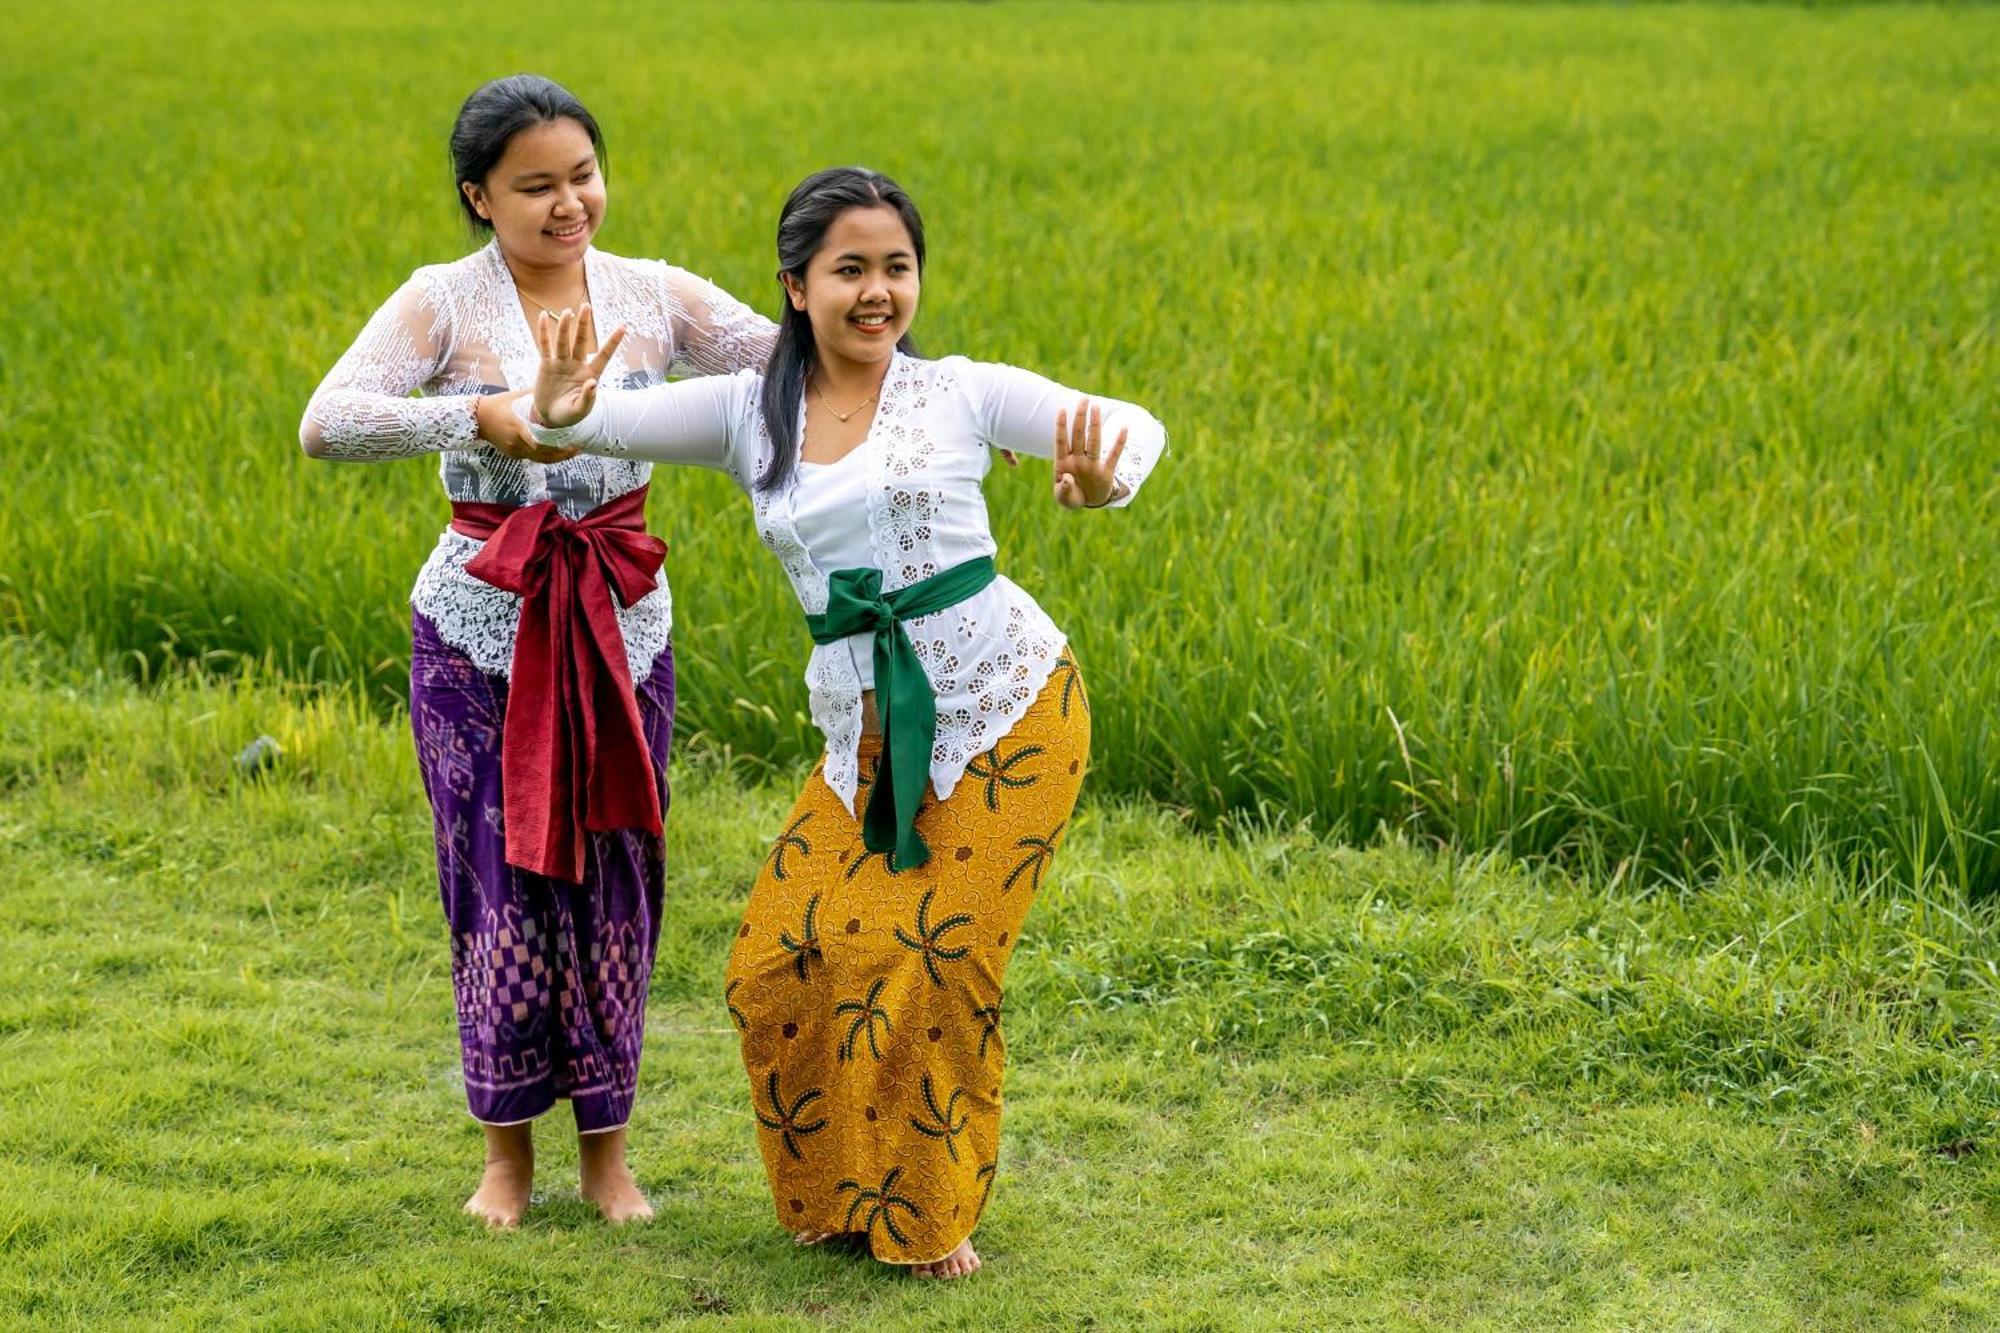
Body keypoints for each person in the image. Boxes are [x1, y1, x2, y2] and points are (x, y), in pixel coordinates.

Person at [521, 165, 1166, 1277]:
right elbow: (585, 421)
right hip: (866, 735)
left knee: (922, 957)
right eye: (850, 269)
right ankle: (834, 1189)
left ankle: (927, 1219)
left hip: (1008, 706)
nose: (878, 292)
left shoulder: (957, 390)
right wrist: (563, 400)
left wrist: (1101, 480)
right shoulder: (745, 410)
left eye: (896, 268)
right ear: (795, 285)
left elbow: (1125, 425)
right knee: (777, 962)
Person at [298, 74, 775, 1228]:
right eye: (534, 187)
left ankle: (606, 1156)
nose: (569, 204)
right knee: (497, 880)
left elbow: (794, 362)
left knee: (616, 874)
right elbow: (329, 420)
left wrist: (948, 412)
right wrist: (484, 415)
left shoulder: (652, 295)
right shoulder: (443, 301)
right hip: (477, 631)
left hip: (622, 625)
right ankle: (504, 1159)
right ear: (478, 196)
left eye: (582, 176)